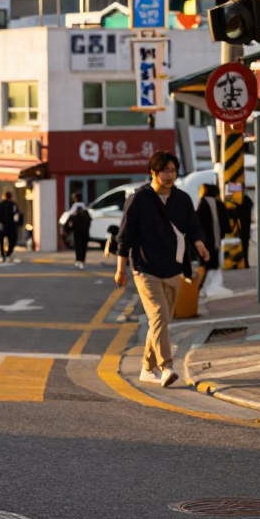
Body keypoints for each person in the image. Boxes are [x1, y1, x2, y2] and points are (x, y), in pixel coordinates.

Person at [114, 151, 209, 388]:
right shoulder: (138, 199)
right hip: (145, 268)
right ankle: (167, 366)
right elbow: (124, 237)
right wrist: (120, 269)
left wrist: (199, 245)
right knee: (158, 314)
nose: (170, 175)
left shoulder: (182, 199)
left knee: (162, 320)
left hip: (173, 267)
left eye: (173, 171)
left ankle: (148, 368)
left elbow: (193, 227)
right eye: (165, 170)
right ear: (153, 173)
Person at [194, 184, 227, 293]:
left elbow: (196, 222)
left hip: (204, 241)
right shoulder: (219, 204)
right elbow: (225, 221)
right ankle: (208, 288)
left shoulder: (203, 203)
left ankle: (200, 288)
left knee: (204, 265)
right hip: (216, 240)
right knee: (212, 265)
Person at [0, 191, 23, 263]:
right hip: (11, 227)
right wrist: (19, 224)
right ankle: (8, 254)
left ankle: (3, 255)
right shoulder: (13, 205)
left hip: (2, 227)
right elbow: (17, 215)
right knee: (12, 241)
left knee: (1, 242)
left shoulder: (0, 205)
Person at [64, 192, 92, 269]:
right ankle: (82, 261)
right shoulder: (85, 209)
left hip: (77, 231)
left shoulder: (74, 209)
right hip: (85, 231)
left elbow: (68, 220)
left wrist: (67, 230)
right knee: (83, 246)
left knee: (78, 246)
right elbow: (90, 220)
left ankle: (78, 260)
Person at [233, 192, 253, 268]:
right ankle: (245, 262)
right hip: (245, 229)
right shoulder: (247, 200)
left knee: (241, 246)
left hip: (241, 228)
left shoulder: (241, 201)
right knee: (245, 246)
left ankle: (241, 262)